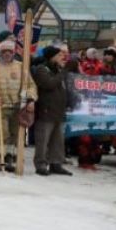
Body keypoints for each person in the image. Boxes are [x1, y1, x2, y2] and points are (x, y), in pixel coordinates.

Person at [0, 39, 37, 173]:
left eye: (9, 51)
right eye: (4, 51)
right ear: (0, 52)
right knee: (2, 133)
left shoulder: (21, 66)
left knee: (15, 134)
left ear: (13, 52)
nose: (7, 54)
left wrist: (30, 100)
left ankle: (10, 157)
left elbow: (30, 85)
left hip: (17, 106)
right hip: (0, 106)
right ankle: (0, 158)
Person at [32, 46, 72, 176]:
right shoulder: (42, 69)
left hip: (59, 111)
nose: (62, 58)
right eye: (59, 55)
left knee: (58, 140)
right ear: (52, 56)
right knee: (43, 140)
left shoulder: (58, 70)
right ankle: (41, 164)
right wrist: (63, 72)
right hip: (46, 111)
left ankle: (56, 163)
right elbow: (49, 84)